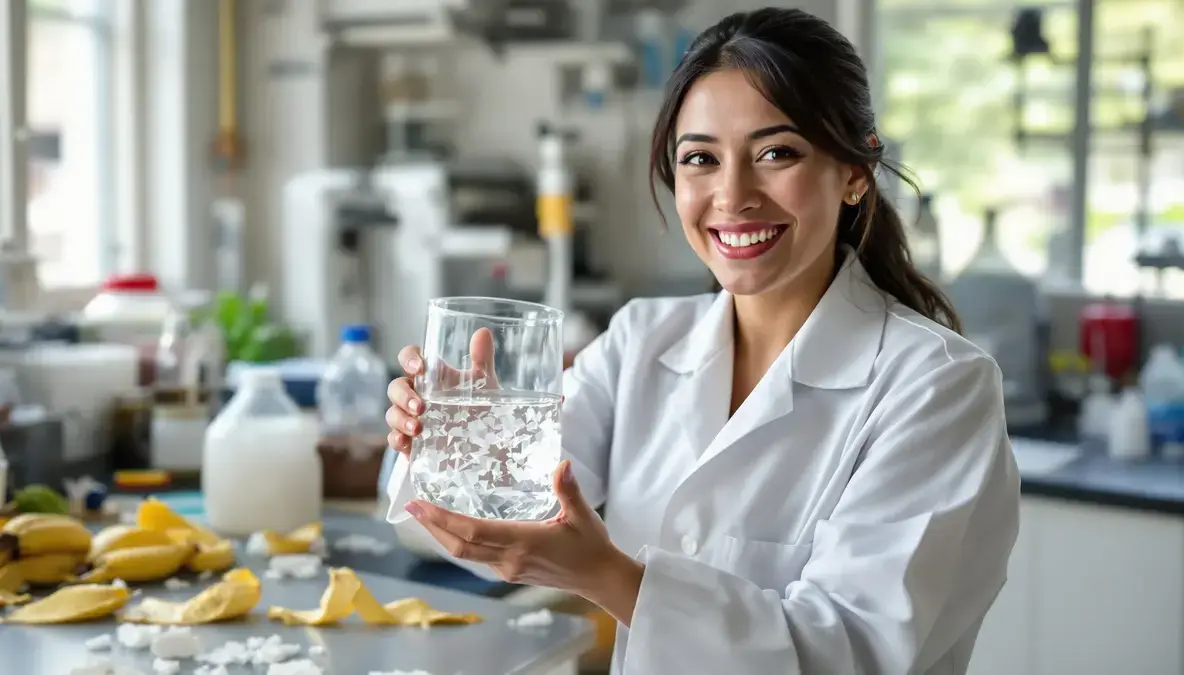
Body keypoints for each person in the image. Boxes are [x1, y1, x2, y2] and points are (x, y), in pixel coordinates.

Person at [384, 7, 1020, 675]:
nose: (733, 194)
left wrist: (610, 575)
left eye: (777, 153)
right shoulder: (640, 341)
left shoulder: (939, 385)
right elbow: (477, 520)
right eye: (700, 159)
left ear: (856, 171)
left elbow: (852, 652)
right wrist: (455, 443)